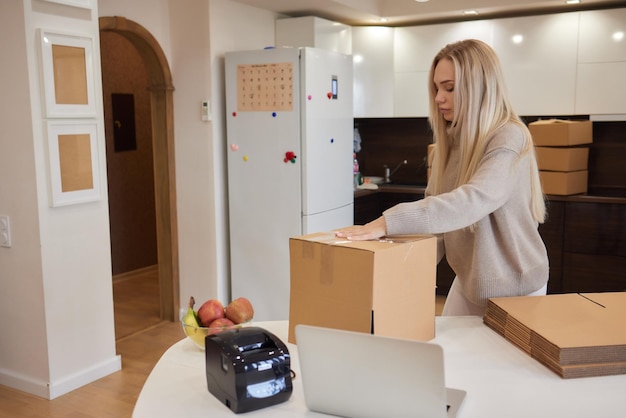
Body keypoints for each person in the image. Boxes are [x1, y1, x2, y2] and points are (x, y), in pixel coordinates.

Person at [335, 39, 549, 316]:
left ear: (480, 88)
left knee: (492, 360)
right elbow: (438, 224)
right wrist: (400, 265)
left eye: (449, 88)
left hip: (515, 284)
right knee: (449, 354)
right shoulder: (452, 141)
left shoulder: (509, 135)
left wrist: (387, 222)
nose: (438, 98)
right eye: (436, 88)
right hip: (471, 278)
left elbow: (474, 200)